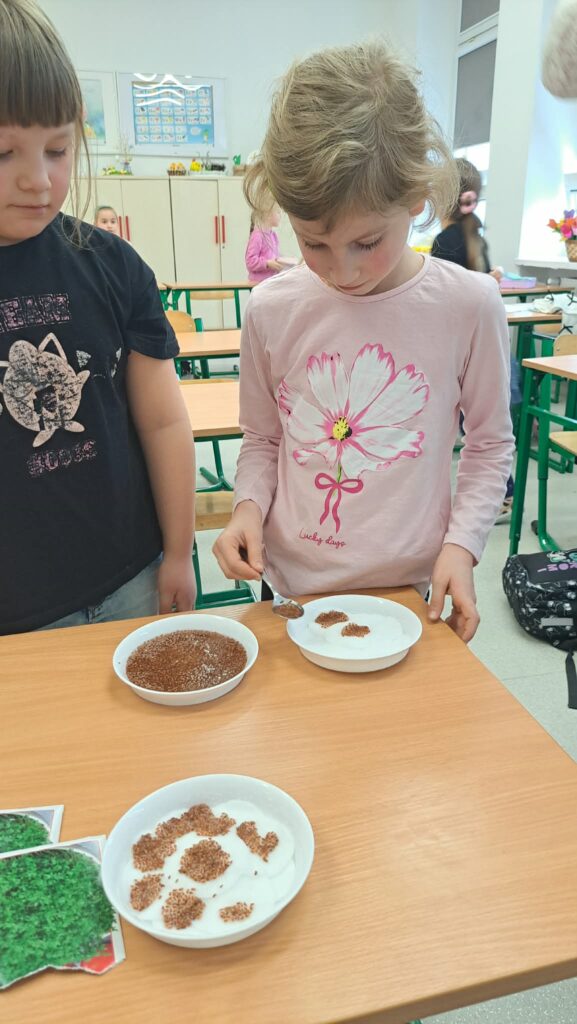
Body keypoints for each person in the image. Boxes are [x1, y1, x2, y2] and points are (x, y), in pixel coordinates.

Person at [213, 41, 514, 644]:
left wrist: (462, 546)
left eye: (367, 242)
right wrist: (247, 507)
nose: (343, 271)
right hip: (292, 586)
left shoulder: (470, 304)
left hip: (413, 589)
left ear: (417, 197)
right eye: (313, 243)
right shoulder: (270, 309)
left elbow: (488, 445)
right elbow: (264, 438)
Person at [0, 0, 196, 634]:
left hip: (130, 578)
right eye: (3, 153)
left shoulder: (114, 266)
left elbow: (164, 422)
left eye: (58, 149)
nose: (37, 180)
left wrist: (179, 552)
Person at [432, 158, 517, 524]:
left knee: (475, 429)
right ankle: (504, 492)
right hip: (478, 346)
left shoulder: (445, 241)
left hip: (456, 347)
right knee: (485, 428)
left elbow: (439, 298)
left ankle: (500, 496)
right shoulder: (474, 236)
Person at [244, 203, 284, 283]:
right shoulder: (257, 235)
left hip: (271, 282)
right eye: (278, 212)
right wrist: (267, 263)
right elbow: (250, 261)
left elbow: (274, 257)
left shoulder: (273, 235)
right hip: (259, 283)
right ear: (268, 215)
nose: (280, 216)